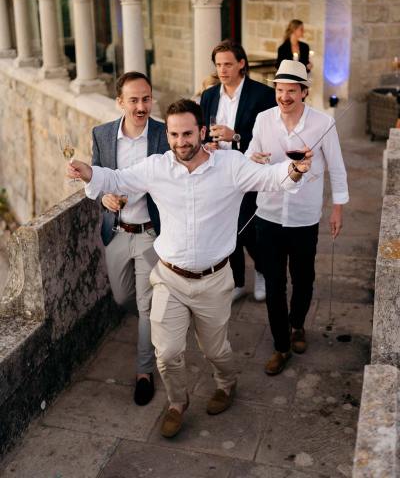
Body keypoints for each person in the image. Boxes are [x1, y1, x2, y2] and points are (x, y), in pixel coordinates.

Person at [68, 99, 312, 438]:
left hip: (214, 281)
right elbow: (118, 178)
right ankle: (176, 403)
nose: (180, 142)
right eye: (173, 134)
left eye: (187, 133)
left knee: (216, 350)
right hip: (169, 278)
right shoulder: (157, 167)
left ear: (201, 131)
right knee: (166, 353)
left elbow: (271, 177)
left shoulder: (230, 165)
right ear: (166, 135)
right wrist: (89, 172)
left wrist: (295, 169)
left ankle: (226, 385)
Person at [247, 60, 349, 376]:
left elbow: (337, 166)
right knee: (275, 282)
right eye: (280, 90)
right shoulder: (263, 120)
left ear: (304, 92)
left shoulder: (323, 124)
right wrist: (255, 157)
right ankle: (281, 345)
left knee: (303, 277)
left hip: (305, 215)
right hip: (268, 213)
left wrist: (337, 208)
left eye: (292, 90)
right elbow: (251, 153)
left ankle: (298, 325)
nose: (284, 96)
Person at [92, 71, 169, 406]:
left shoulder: (164, 134)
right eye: (134, 100)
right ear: (120, 102)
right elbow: (96, 179)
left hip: (151, 233)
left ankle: (144, 371)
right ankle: (152, 327)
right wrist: (104, 198)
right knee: (124, 299)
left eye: (146, 98)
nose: (141, 106)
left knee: (147, 304)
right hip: (117, 232)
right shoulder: (103, 135)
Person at [201, 39, 276, 302]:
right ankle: (237, 281)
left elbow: (267, 138)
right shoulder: (209, 96)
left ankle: (263, 271)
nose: (222, 70)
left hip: (248, 169)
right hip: (217, 169)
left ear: (241, 64)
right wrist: (207, 144)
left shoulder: (262, 95)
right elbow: (202, 132)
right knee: (225, 226)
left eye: (228, 64)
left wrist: (235, 137)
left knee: (249, 228)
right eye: (219, 65)